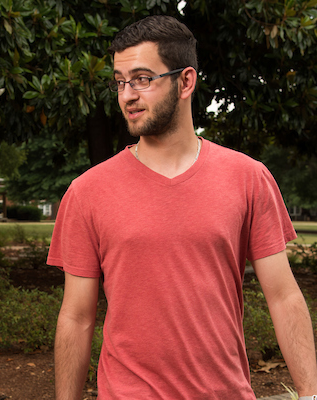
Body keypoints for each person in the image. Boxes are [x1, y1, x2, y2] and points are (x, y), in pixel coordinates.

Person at [49, 15, 317, 400]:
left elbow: (283, 295)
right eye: (120, 81)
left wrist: (309, 394)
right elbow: (76, 317)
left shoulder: (248, 177)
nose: (127, 94)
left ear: (186, 81)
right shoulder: (87, 191)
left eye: (142, 78)